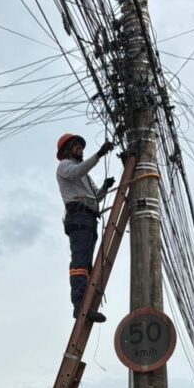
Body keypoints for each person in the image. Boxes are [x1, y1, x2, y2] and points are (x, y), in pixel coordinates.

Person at [55, 133, 117, 322]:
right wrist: (99, 154)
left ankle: (87, 304)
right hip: (78, 217)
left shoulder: (86, 177)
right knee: (80, 263)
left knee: (87, 265)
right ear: (67, 150)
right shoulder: (65, 166)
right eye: (76, 145)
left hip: (89, 219)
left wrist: (105, 187)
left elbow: (96, 198)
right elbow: (76, 172)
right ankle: (79, 305)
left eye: (81, 146)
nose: (80, 149)